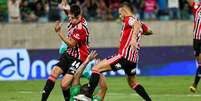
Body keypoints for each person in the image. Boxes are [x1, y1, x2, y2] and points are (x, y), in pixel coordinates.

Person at [76, 2, 152, 101]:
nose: (120, 16)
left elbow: (136, 24)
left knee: (96, 68)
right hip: (133, 60)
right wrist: (141, 31)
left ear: (125, 10)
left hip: (124, 56)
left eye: (120, 13)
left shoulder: (129, 19)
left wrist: (133, 38)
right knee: (133, 83)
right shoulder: (140, 23)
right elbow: (150, 31)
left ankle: (87, 95)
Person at [41, 4, 90, 101]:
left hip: (79, 58)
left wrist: (59, 32)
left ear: (79, 17)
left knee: (64, 85)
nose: (70, 20)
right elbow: (68, 10)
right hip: (68, 54)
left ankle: (86, 94)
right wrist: (64, 5)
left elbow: (71, 43)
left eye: (72, 18)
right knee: (54, 72)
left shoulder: (81, 28)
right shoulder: (74, 16)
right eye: (69, 17)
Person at [187, 0, 201, 93]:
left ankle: (194, 85)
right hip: (196, 39)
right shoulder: (197, 8)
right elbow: (189, 1)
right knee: (199, 63)